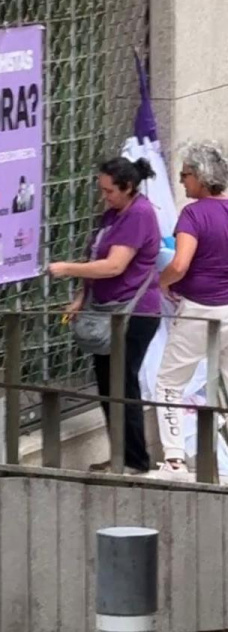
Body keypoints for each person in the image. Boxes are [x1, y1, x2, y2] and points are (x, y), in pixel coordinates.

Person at [49, 157, 161, 475]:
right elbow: (96, 257)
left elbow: (114, 265)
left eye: (109, 190)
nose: (105, 196)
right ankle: (119, 456)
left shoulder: (139, 214)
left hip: (133, 312)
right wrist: (81, 297)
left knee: (123, 385)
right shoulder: (113, 214)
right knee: (108, 385)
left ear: (127, 188)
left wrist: (66, 268)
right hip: (105, 309)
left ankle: (134, 460)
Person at [155, 141, 228, 477]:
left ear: (200, 176)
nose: (182, 182)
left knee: (169, 383)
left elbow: (181, 264)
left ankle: (174, 459)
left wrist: (163, 282)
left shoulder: (193, 214)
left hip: (199, 308)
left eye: (185, 175)